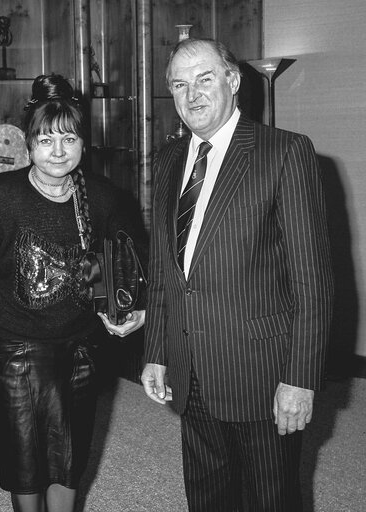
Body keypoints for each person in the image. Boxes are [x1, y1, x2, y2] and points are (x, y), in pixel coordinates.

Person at [140, 38, 334, 511]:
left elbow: (313, 282)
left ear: (233, 80)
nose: (192, 95)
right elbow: (166, 269)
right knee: (207, 497)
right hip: (192, 369)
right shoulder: (167, 161)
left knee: (271, 500)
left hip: (262, 375)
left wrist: (300, 379)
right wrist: (157, 351)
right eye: (179, 85)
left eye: (205, 79)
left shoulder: (284, 152)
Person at [0, 74, 143, 512]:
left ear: (82, 143)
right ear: (29, 144)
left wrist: (123, 309)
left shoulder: (102, 196)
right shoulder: (0, 196)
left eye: (69, 139)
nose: (58, 152)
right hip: (16, 349)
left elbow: (123, 263)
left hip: (81, 350)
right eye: (45, 140)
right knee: (25, 463)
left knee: (68, 458)